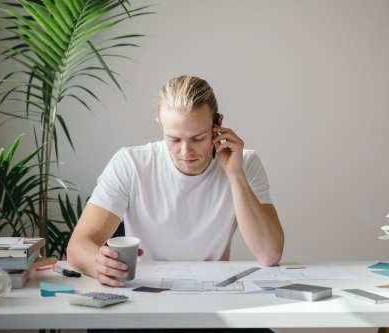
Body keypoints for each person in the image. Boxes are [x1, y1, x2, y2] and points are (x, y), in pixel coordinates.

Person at [67, 75, 284, 332]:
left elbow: (269, 254)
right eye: (174, 139)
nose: (186, 152)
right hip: (144, 303)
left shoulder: (245, 164)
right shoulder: (130, 164)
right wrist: (98, 264)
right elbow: (78, 245)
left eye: (198, 138)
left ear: (218, 124)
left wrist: (235, 175)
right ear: (160, 125)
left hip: (213, 300)